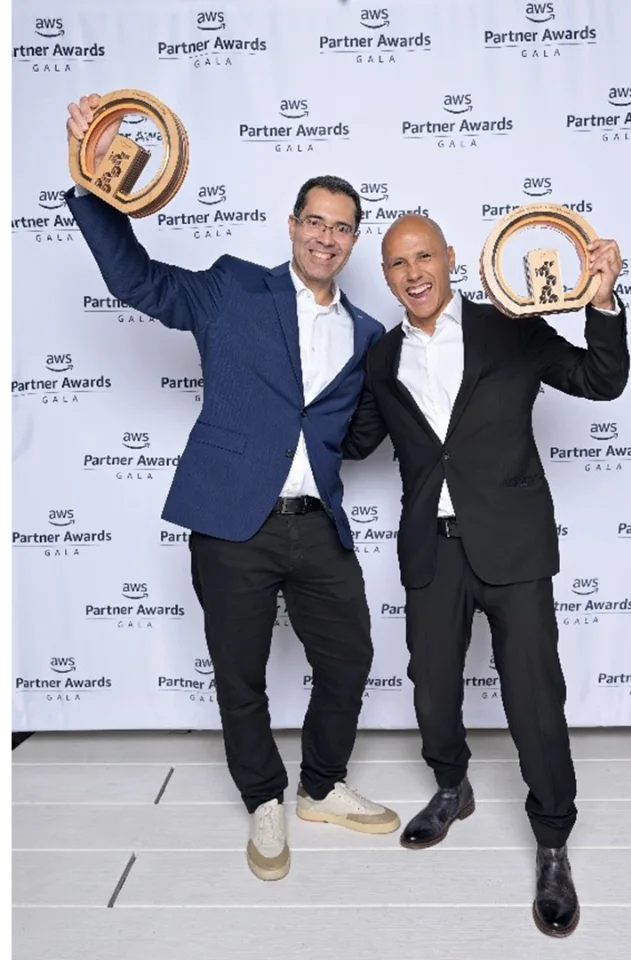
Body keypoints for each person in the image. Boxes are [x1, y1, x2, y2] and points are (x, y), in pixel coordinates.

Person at [62, 93, 402, 882]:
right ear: (293, 226)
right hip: (230, 520)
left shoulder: (365, 334)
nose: (326, 236)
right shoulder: (231, 289)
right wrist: (90, 185)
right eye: (314, 220)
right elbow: (137, 281)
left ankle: (322, 787)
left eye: (342, 226)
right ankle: (264, 799)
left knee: (349, 657)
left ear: (353, 241)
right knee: (239, 670)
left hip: (315, 522)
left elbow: (355, 433)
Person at [341, 214, 629, 938]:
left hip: (514, 546)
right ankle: (451, 786)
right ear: (387, 276)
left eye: (423, 257)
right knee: (433, 689)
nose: (412, 273)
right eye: (397, 264)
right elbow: (354, 439)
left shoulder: (510, 326)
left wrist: (602, 303)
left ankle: (554, 839)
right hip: (431, 551)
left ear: (449, 260)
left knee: (534, 696)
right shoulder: (379, 359)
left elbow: (601, 378)